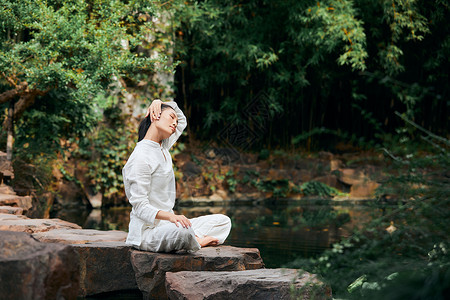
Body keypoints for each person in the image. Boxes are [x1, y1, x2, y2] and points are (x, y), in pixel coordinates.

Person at [122, 99, 231, 252]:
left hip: (168, 227)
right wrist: (171, 217)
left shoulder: (163, 147)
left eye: (175, 120)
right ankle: (196, 240)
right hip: (147, 234)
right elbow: (140, 207)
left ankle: (192, 239)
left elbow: (182, 121)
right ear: (156, 115)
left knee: (223, 221)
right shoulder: (140, 157)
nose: (175, 123)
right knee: (183, 232)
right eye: (171, 117)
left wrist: (158, 101)